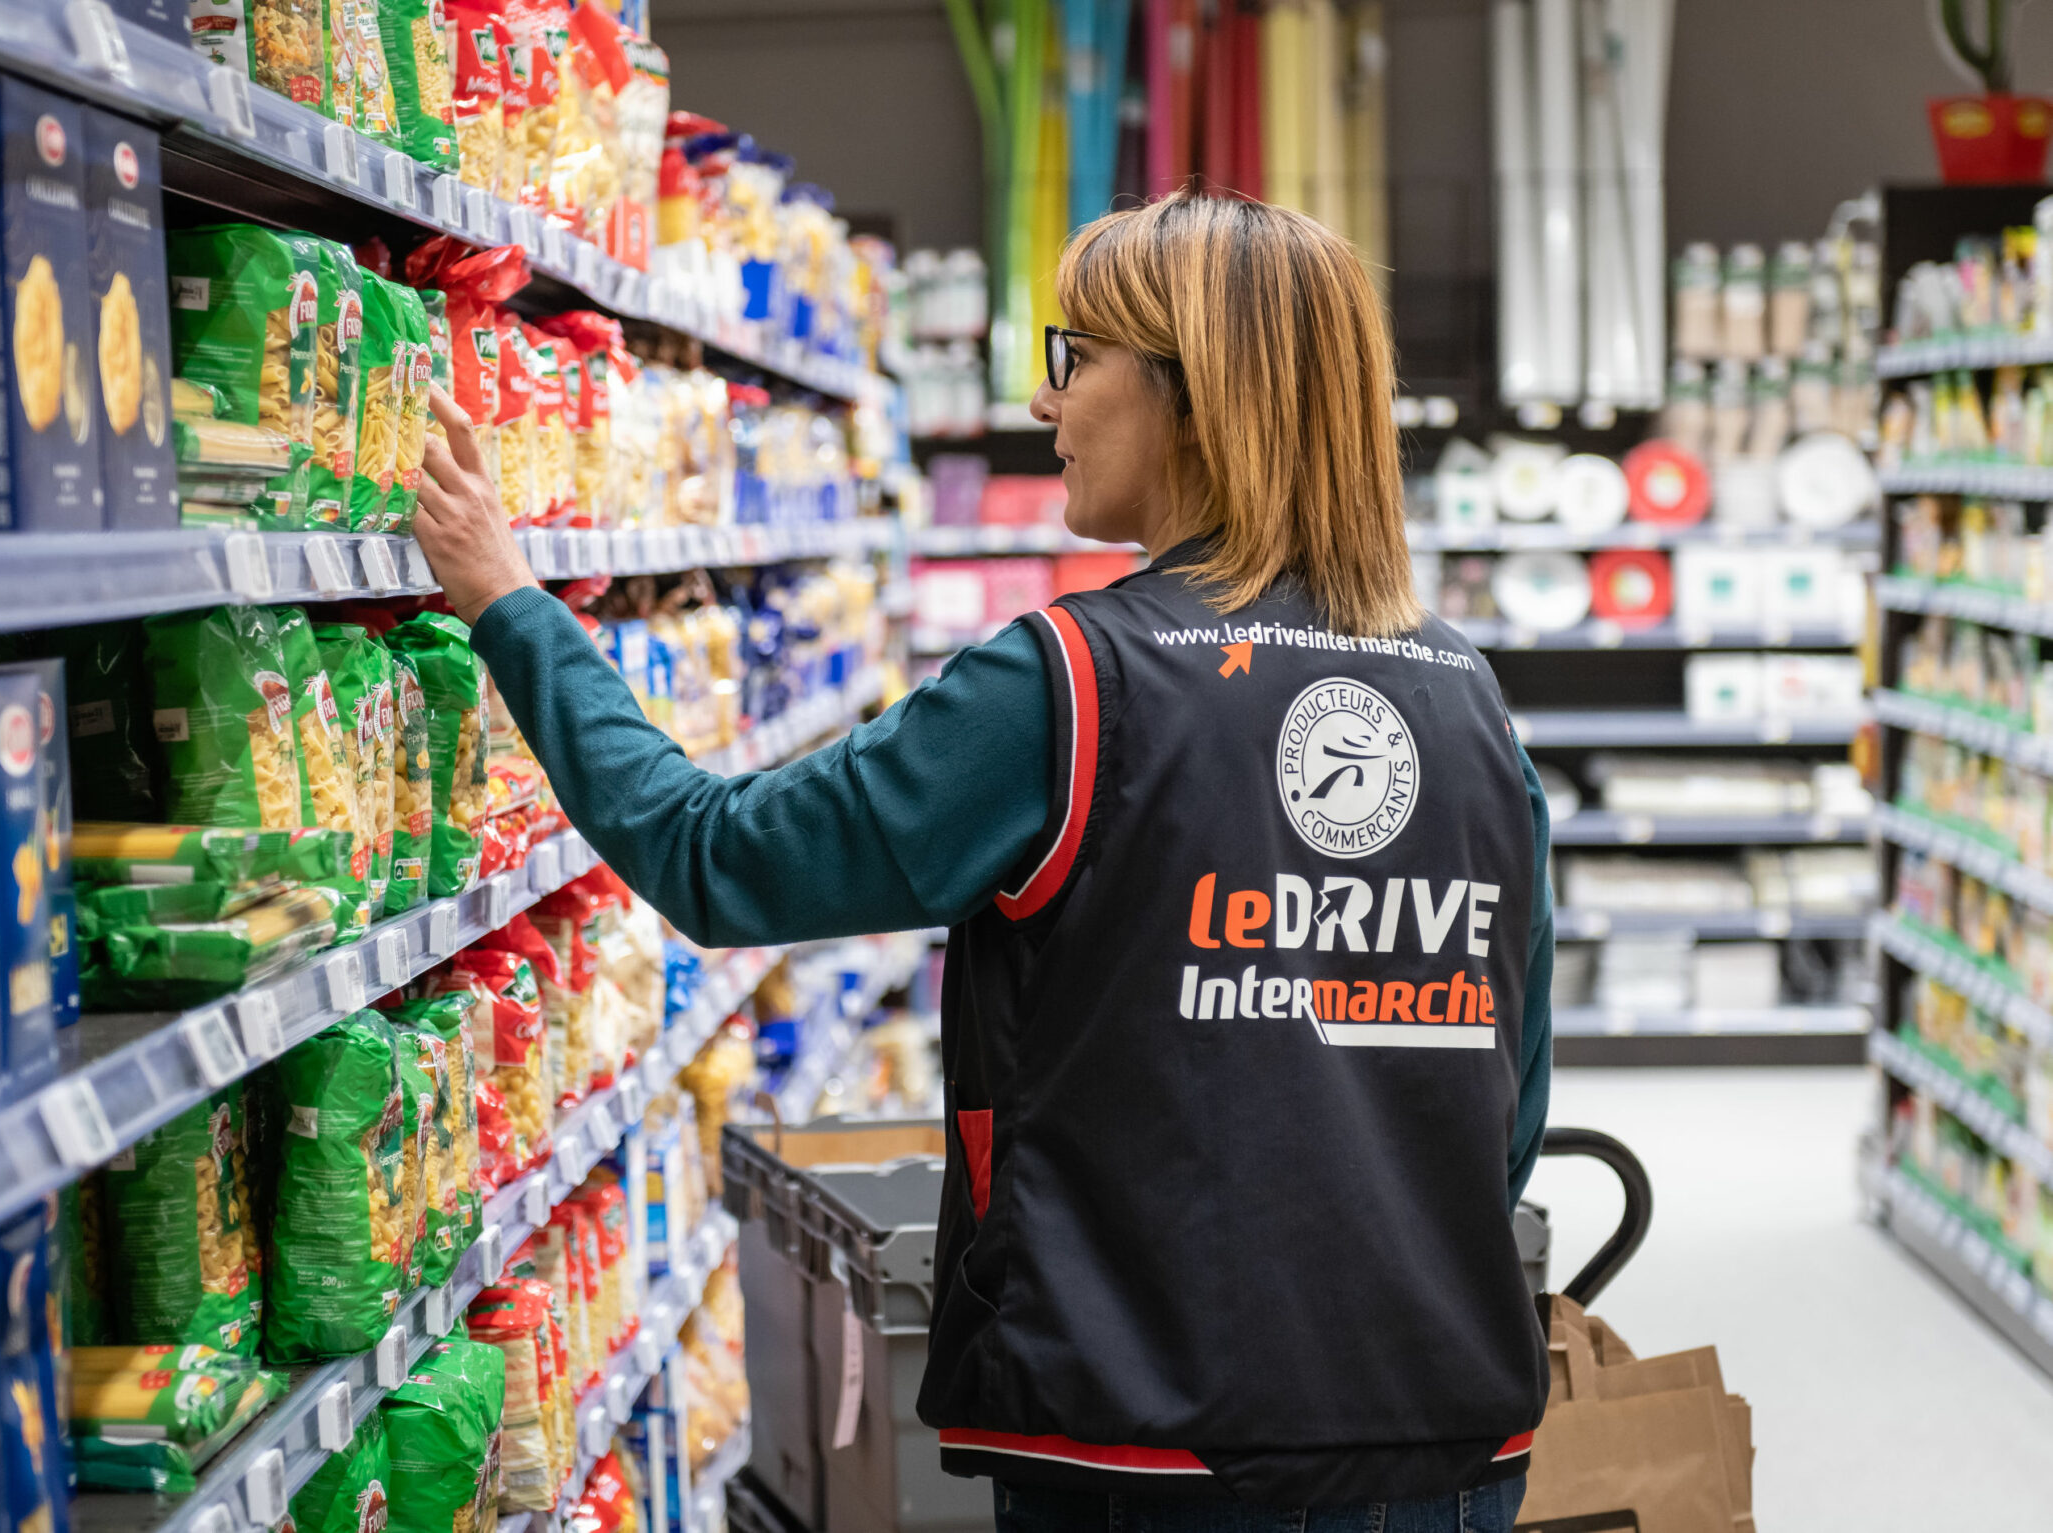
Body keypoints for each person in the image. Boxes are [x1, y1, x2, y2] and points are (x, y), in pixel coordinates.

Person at [412, 190, 1553, 1532]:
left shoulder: (1073, 684)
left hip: (1155, 1453)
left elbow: (718, 860)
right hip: (1447, 1442)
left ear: (1191, 393)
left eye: (1077, 358)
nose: (1044, 404)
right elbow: (1505, 1100)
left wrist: (511, 606)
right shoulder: (1465, 697)